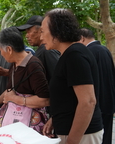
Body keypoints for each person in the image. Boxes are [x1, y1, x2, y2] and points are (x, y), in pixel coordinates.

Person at [41, 8, 103, 144]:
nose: (41, 37)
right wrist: (55, 118)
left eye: (42, 32)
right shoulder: (68, 54)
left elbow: (88, 102)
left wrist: (72, 141)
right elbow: (69, 97)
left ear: (56, 31)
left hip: (82, 135)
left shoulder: (75, 55)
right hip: (71, 131)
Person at [0, 26, 49, 131]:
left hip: (29, 126)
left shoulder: (33, 65)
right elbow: (11, 91)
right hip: (15, 123)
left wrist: (16, 99)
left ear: (9, 49)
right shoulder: (14, 65)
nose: (1, 54)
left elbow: (45, 100)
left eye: (1, 50)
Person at [80, 28, 115, 144]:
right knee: (107, 137)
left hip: (98, 103)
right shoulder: (105, 49)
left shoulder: (88, 52)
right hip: (109, 101)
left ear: (82, 38)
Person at [17, 15, 60, 83]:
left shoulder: (48, 51)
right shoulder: (41, 50)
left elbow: (59, 78)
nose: (26, 36)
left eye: (29, 31)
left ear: (41, 30)